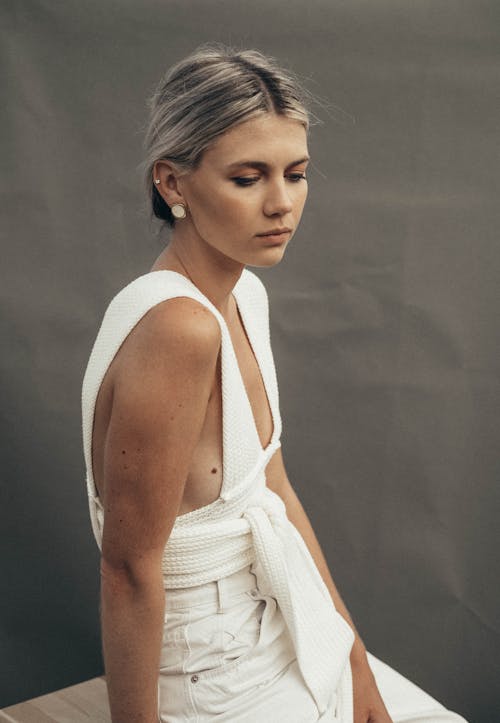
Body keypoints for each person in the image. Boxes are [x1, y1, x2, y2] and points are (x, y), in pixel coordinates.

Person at [81, 43, 469, 723]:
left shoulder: (244, 296)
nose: (282, 203)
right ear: (173, 184)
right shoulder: (178, 329)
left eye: (297, 173)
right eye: (248, 177)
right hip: (209, 677)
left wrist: (350, 656)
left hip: (275, 629)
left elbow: (276, 491)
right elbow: (128, 569)